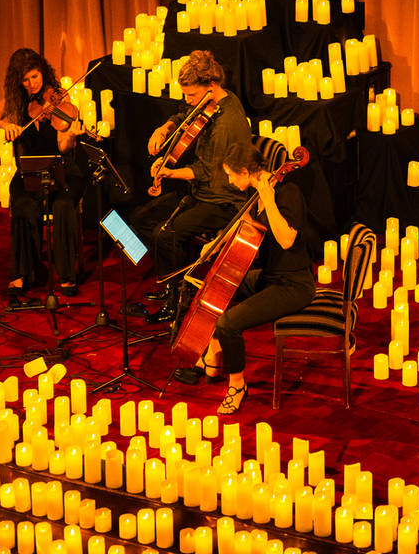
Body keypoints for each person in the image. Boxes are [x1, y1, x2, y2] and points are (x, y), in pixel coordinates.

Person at [171, 140, 313, 414]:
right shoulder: (256, 194)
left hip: (293, 284)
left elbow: (286, 240)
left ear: (247, 172)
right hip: (272, 276)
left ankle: (237, 385)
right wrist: (213, 245)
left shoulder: (287, 192)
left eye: (231, 174)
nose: (228, 179)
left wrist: (269, 201)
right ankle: (212, 348)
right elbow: (242, 222)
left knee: (227, 323)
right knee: (215, 287)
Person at [131, 50, 251, 323]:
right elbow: (185, 112)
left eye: (192, 95)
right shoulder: (211, 101)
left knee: (166, 234)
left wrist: (170, 172)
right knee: (142, 218)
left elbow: (205, 173)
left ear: (211, 86)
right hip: (203, 191)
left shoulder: (226, 123)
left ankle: (177, 301)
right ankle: (172, 280)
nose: (188, 101)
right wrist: (164, 127)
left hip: (223, 198)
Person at [0, 48, 84, 303]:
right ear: (17, 81)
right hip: (29, 171)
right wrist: (3, 124)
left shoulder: (57, 98)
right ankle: (24, 272)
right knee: (23, 205)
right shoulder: (14, 102)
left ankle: (67, 273)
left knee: (64, 205)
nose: (32, 84)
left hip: (63, 168)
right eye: (25, 80)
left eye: (35, 77)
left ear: (43, 72)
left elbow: (62, 148)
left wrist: (69, 134)